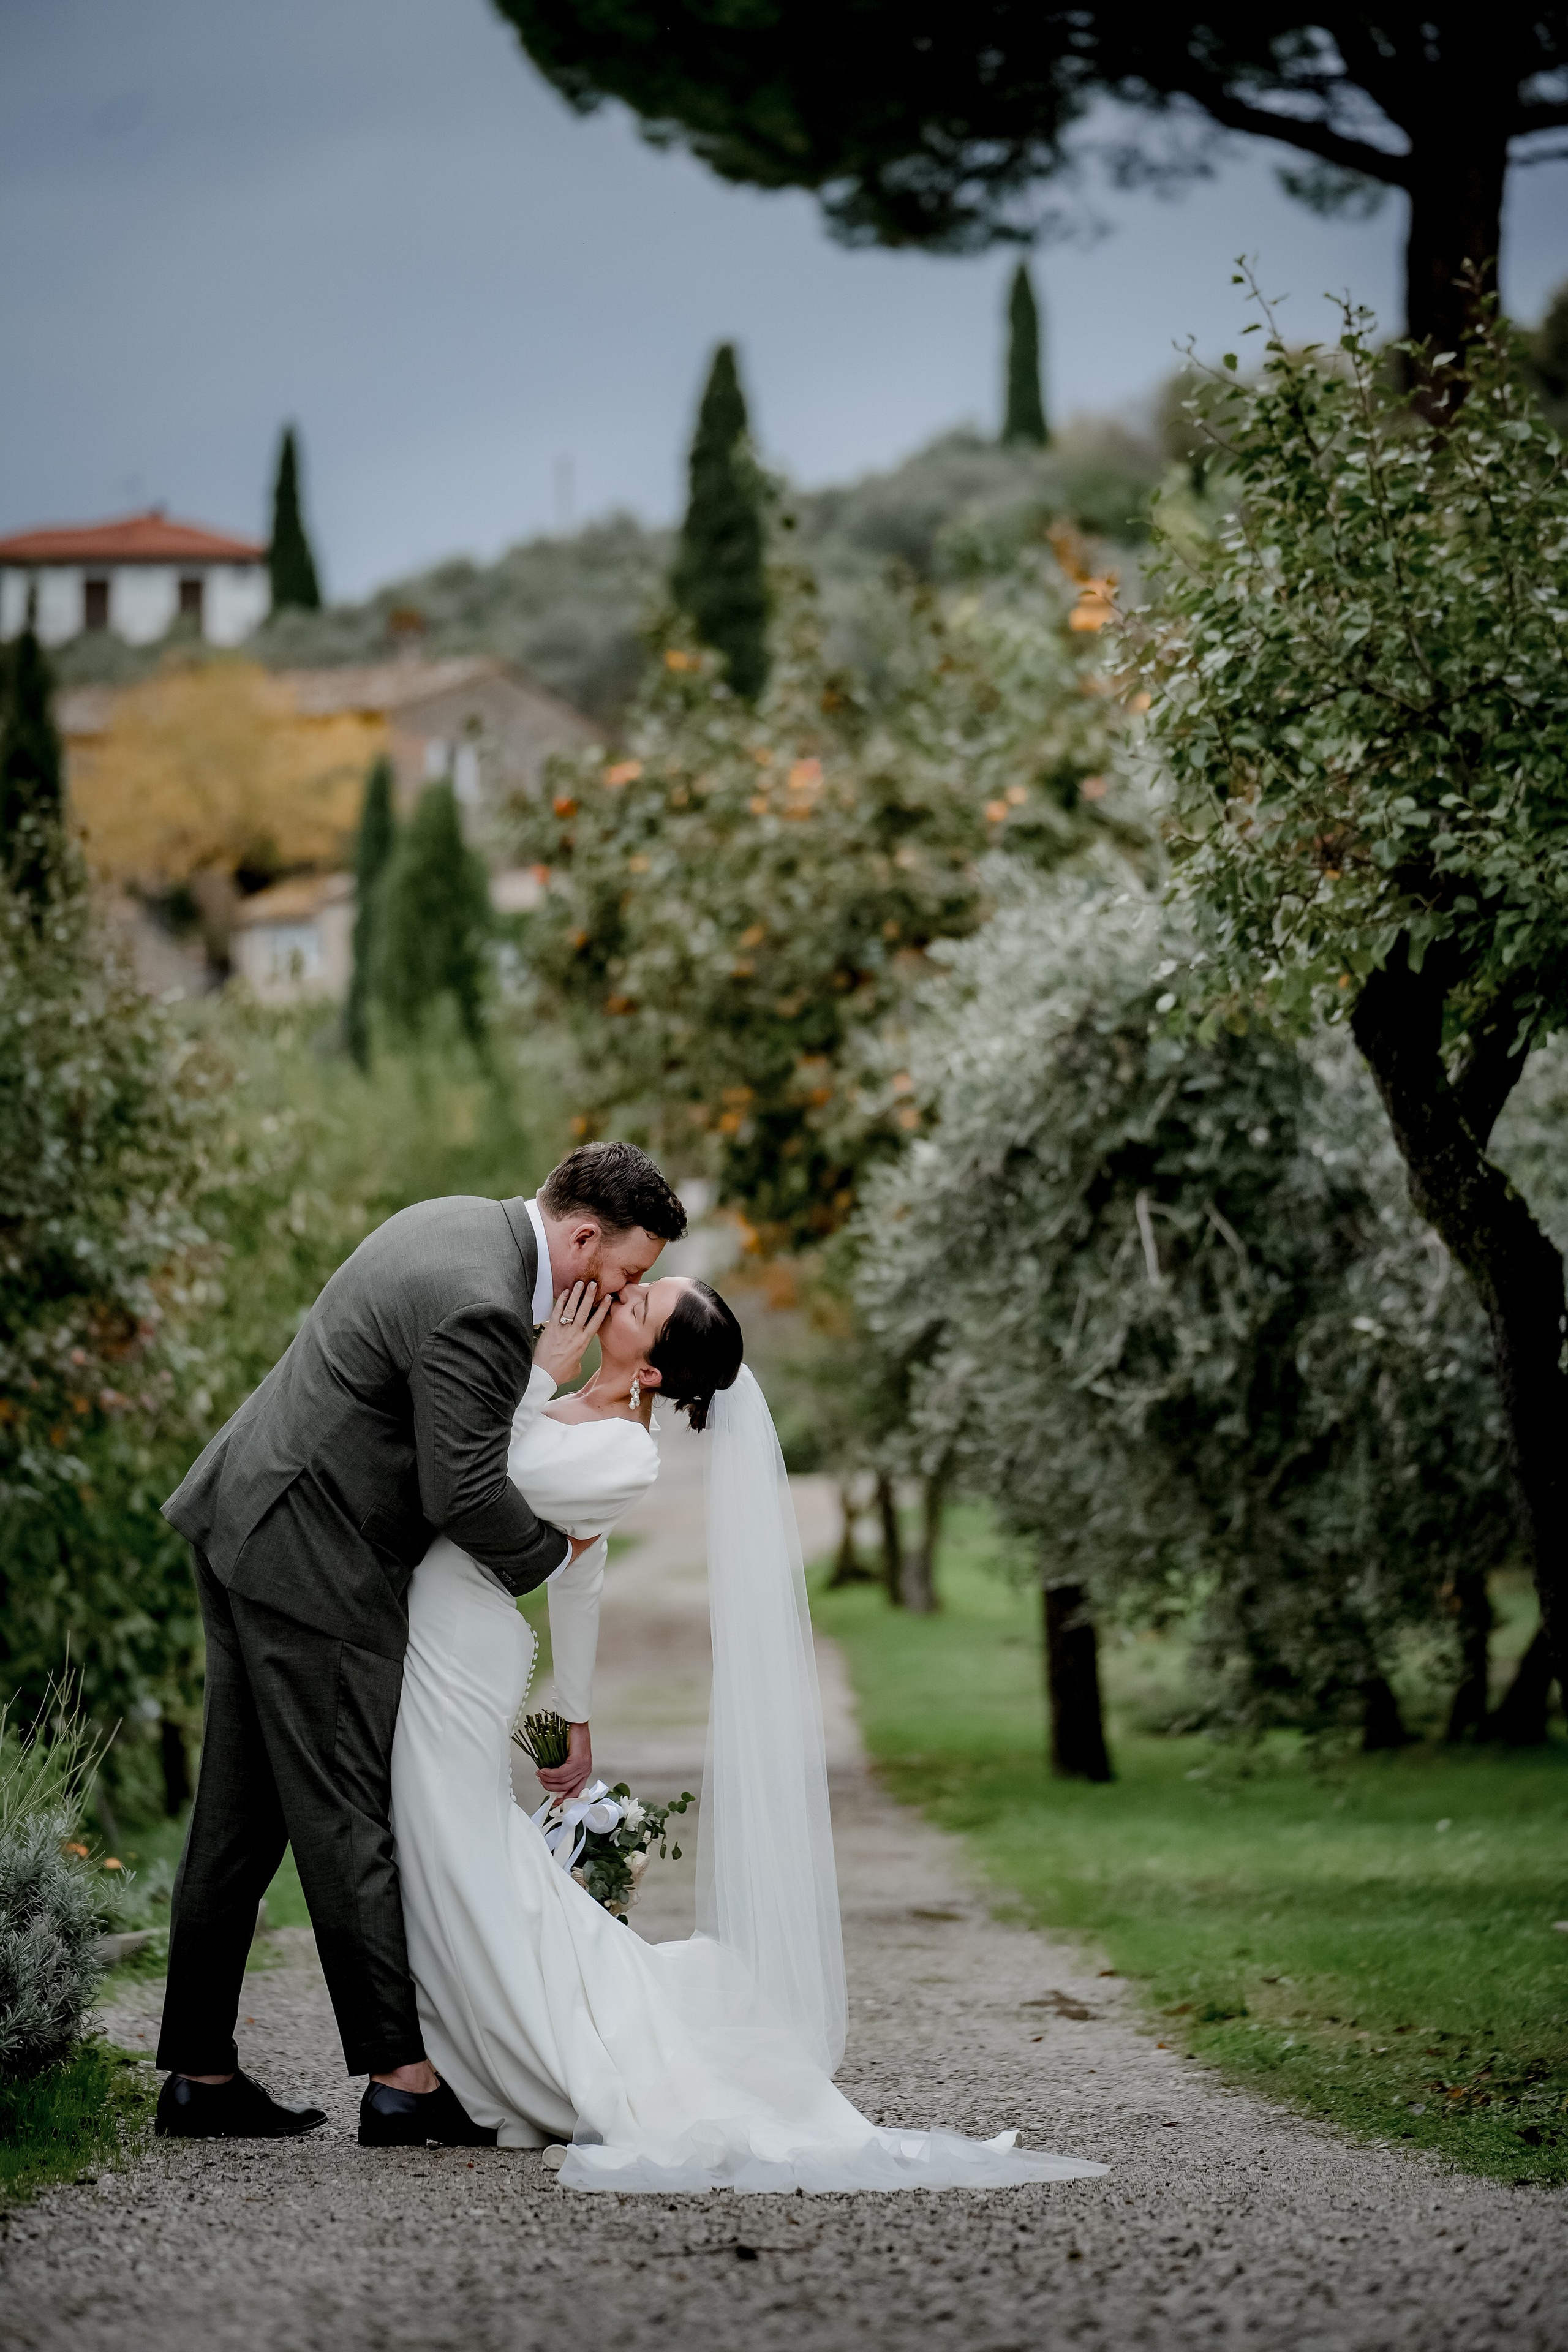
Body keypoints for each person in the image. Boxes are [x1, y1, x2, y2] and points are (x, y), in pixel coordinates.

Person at [390, 1276, 1107, 2192]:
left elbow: (484, 1482)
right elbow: (578, 1578)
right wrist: (575, 1711)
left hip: (467, 1645)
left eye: (641, 1304)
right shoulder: (582, 1405)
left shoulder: (621, 1449)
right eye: (642, 1285)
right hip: (455, 1634)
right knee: (453, 1849)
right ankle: (456, 2045)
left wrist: (534, 1375)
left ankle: (481, 2055)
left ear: (648, 1366)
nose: (623, 1294)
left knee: (456, 1847)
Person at [153, 1142, 687, 2146]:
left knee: (240, 1814)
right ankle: (403, 2082)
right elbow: (465, 1490)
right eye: (624, 1272)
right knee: (348, 1812)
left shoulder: (456, 1220)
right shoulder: (484, 1302)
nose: (624, 1290)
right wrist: (552, 1552)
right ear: (580, 1238)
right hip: (312, 1558)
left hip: (251, 1516)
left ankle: (200, 2074)